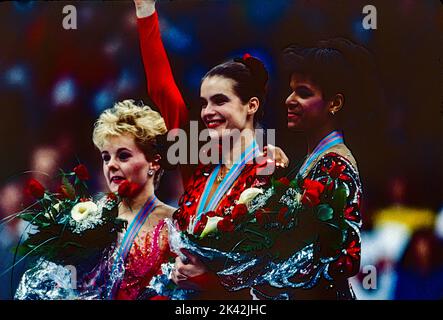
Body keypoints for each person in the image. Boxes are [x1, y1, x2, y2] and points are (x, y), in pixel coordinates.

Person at [133, 0, 287, 299]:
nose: (207, 111)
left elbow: (273, 278)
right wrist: (145, 10)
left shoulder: (270, 172)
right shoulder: (198, 163)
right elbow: (163, 92)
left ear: (251, 105)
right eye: (204, 102)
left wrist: (210, 282)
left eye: (220, 101)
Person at [84, 99, 176, 300]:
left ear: (154, 162)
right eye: (106, 157)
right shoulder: (88, 218)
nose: (111, 165)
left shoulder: (175, 223)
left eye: (123, 156)